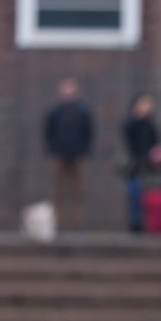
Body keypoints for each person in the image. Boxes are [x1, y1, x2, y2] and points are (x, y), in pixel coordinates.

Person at [44, 78, 95, 232]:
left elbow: (89, 132)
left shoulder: (83, 111)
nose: (68, 92)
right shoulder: (55, 111)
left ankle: (77, 224)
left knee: (77, 191)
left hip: (78, 155)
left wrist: (84, 150)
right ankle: (57, 224)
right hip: (59, 155)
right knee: (57, 191)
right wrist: (52, 150)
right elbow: (48, 132)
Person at [121, 93, 161, 233]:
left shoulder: (151, 124)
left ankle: (148, 224)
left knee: (147, 196)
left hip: (149, 167)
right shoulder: (130, 123)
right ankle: (135, 225)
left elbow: (156, 143)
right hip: (134, 165)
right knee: (134, 194)